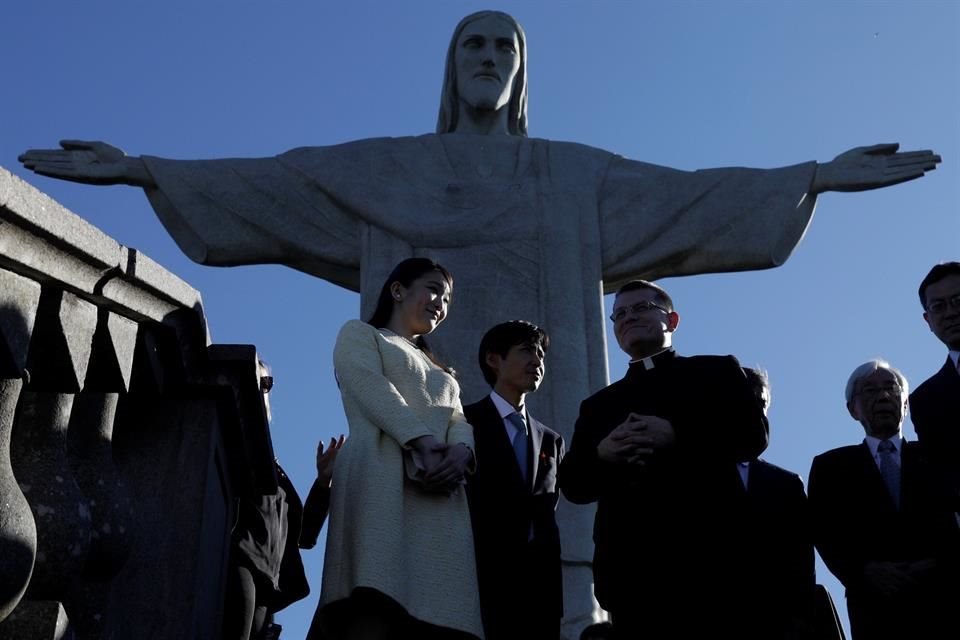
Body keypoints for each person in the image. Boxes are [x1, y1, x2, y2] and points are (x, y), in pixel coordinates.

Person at [560, 280, 767, 638]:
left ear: (671, 320)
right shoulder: (598, 406)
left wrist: (677, 434)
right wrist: (602, 453)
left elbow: (752, 436)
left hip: (714, 564)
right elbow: (575, 485)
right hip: (633, 575)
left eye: (641, 308)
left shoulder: (715, 372)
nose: (628, 318)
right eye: (620, 314)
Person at [312, 257, 481, 640]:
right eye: (434, 289)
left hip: (440, 489)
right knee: (374, 600)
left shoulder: (444, 372)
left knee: (437, 615)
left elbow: (458, 420)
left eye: (448, 298)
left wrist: (461, 454)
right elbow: (371, 387)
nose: (441, 302)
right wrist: (421, 441)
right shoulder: (361, 335)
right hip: (380, 474)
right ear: (398, 290)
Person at [808, 360, 958, 640]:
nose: (884, 396)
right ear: (853, 409)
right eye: (870, 390)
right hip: (875, 611)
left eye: (891, 388)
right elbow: (824, 531)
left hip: (945, 604)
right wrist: (863, 571)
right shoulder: (831, 468)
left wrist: (938, 565)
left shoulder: (938, 457)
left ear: (905, 403)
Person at [224, 361, 343, 640]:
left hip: (270, 581)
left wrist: (323, 482)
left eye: (266, 385)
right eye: (255, 383)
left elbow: (303, 536)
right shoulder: (233, 442)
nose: (261, 391)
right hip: (241, 563)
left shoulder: (274, 468)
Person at [463, 321, 563, 640]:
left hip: (540, 594)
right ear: (495, 360)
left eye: (540, 354)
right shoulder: (463, 423)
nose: (537, 361)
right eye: (526, 351)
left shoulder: (552, 440)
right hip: (479, 583)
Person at [733, 368, 822, 640]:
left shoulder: (787, 484)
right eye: (744, 400)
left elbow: (802, 565)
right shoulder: (689, 480)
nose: (754, 412)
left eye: (761, 403)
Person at [909, 261, 960, 493]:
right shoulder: (925, 401)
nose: (950, 312)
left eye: (958, 301)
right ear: (927, 320)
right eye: (938, 306)